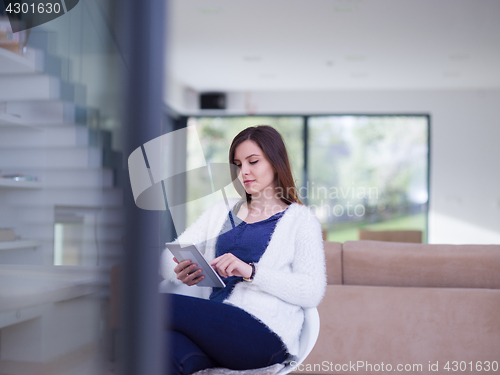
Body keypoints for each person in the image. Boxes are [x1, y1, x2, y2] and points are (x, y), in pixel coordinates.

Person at [160, 125, 326, 375]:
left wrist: (251, 271)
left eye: (253, 162)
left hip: (264, 334)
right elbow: (168, 255)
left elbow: (312, 291)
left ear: (275, 162)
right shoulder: (220, 211)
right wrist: (180, 270)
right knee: (165, 351)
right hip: (216, 329)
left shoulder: (301, 220)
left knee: (154, 305)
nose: (243, 172)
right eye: (237, 164)